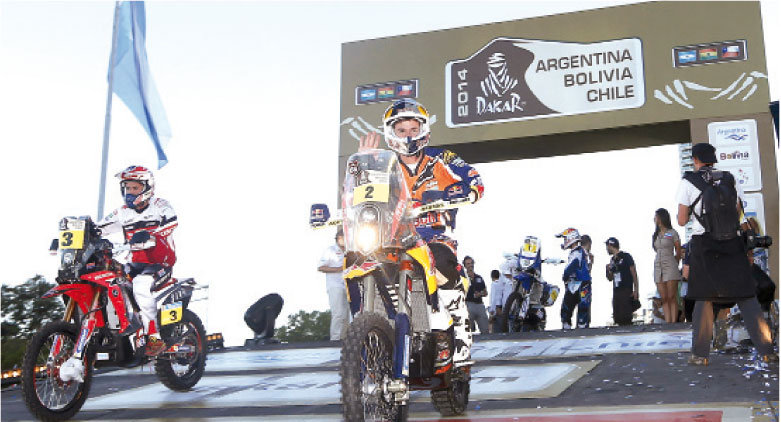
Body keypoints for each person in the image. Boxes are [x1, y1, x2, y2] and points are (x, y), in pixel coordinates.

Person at [358, 99, 484, 365]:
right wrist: (364, 167)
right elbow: (363, 198)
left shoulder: (442, 158)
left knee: (442, 263)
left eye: (413, 128)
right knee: (365, 264)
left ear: (424, 129)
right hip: (395, 237)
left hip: (433, 234)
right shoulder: (384, 166)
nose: (408, 135)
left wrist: (468, 191)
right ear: (391, 133)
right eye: (401, 130)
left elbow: (472, 178)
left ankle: (459, 329)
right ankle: (371, 333)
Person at [675, 142, 774, 365]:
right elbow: (738, 210)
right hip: (732, 243)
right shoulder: (728, 178)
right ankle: (767, 351)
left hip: (705, 244)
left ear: (696, 160)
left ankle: (700, 355)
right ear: (714, 159)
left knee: (704, 297)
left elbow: (681, 220)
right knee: (746, 296)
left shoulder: (689, 181)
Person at [95, 165, 178, 357]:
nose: (130, 192)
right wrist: (81, 231)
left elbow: (172, 222)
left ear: (147, 187)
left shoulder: (160, 205)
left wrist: (152, 236)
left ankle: (154, 337)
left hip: (160, 263)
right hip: (134, 264)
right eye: (127, 188)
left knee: (141, 286)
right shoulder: (121, 212)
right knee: (111, 284)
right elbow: (100, 228)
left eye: (135, 188)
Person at [317, 227, 349, 341]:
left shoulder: (350, 251)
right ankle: (335, 339)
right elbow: (321, 267)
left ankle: (344, 339)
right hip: (335, 285)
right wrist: (339, 269)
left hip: (347, 285)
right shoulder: (330, 250)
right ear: (339, 238)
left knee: (346, 315)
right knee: (338, 313)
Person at [557, 228, 592, 329]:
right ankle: (569, 323)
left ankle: (579, 324)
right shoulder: (579, 251)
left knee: (580, 305)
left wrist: (565, 274)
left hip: (581, 282)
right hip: (576, 282)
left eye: (565, 238)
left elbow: (575, 263)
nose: (564, 241)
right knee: (568, 305)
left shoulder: (578, 251)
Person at [652, 208, 683, 323]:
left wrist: (675, 263)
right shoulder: (655, 235)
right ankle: (667, 323)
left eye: (656, 217)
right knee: (664, 298)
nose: (654, 219)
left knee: (671, 296)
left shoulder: (672, 232)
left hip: (670, 264)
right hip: (658, 266)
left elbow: (678, 250)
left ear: (661, 217)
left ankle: (672, 323)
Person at [605, 237, 640, 326]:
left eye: (607, 246)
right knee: (617, 317)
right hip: (616, 291)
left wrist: (636, 290)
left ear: (610, 245)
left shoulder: (626, 256)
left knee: (626, 316)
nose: (606, 249)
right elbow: (610, 278)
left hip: (626, 290)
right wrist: (607, 270)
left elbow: (634, 273)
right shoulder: (612, 260)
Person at [463, 256, 490, 334]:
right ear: (465, 265)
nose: (470, 265)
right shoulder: (462, 278)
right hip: (468, 304)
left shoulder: (479, 278)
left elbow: (485, 292)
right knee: (468, 331)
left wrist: (480, 294)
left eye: (471, 263)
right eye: (468, 264)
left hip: (480, 305)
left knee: (485, 330)